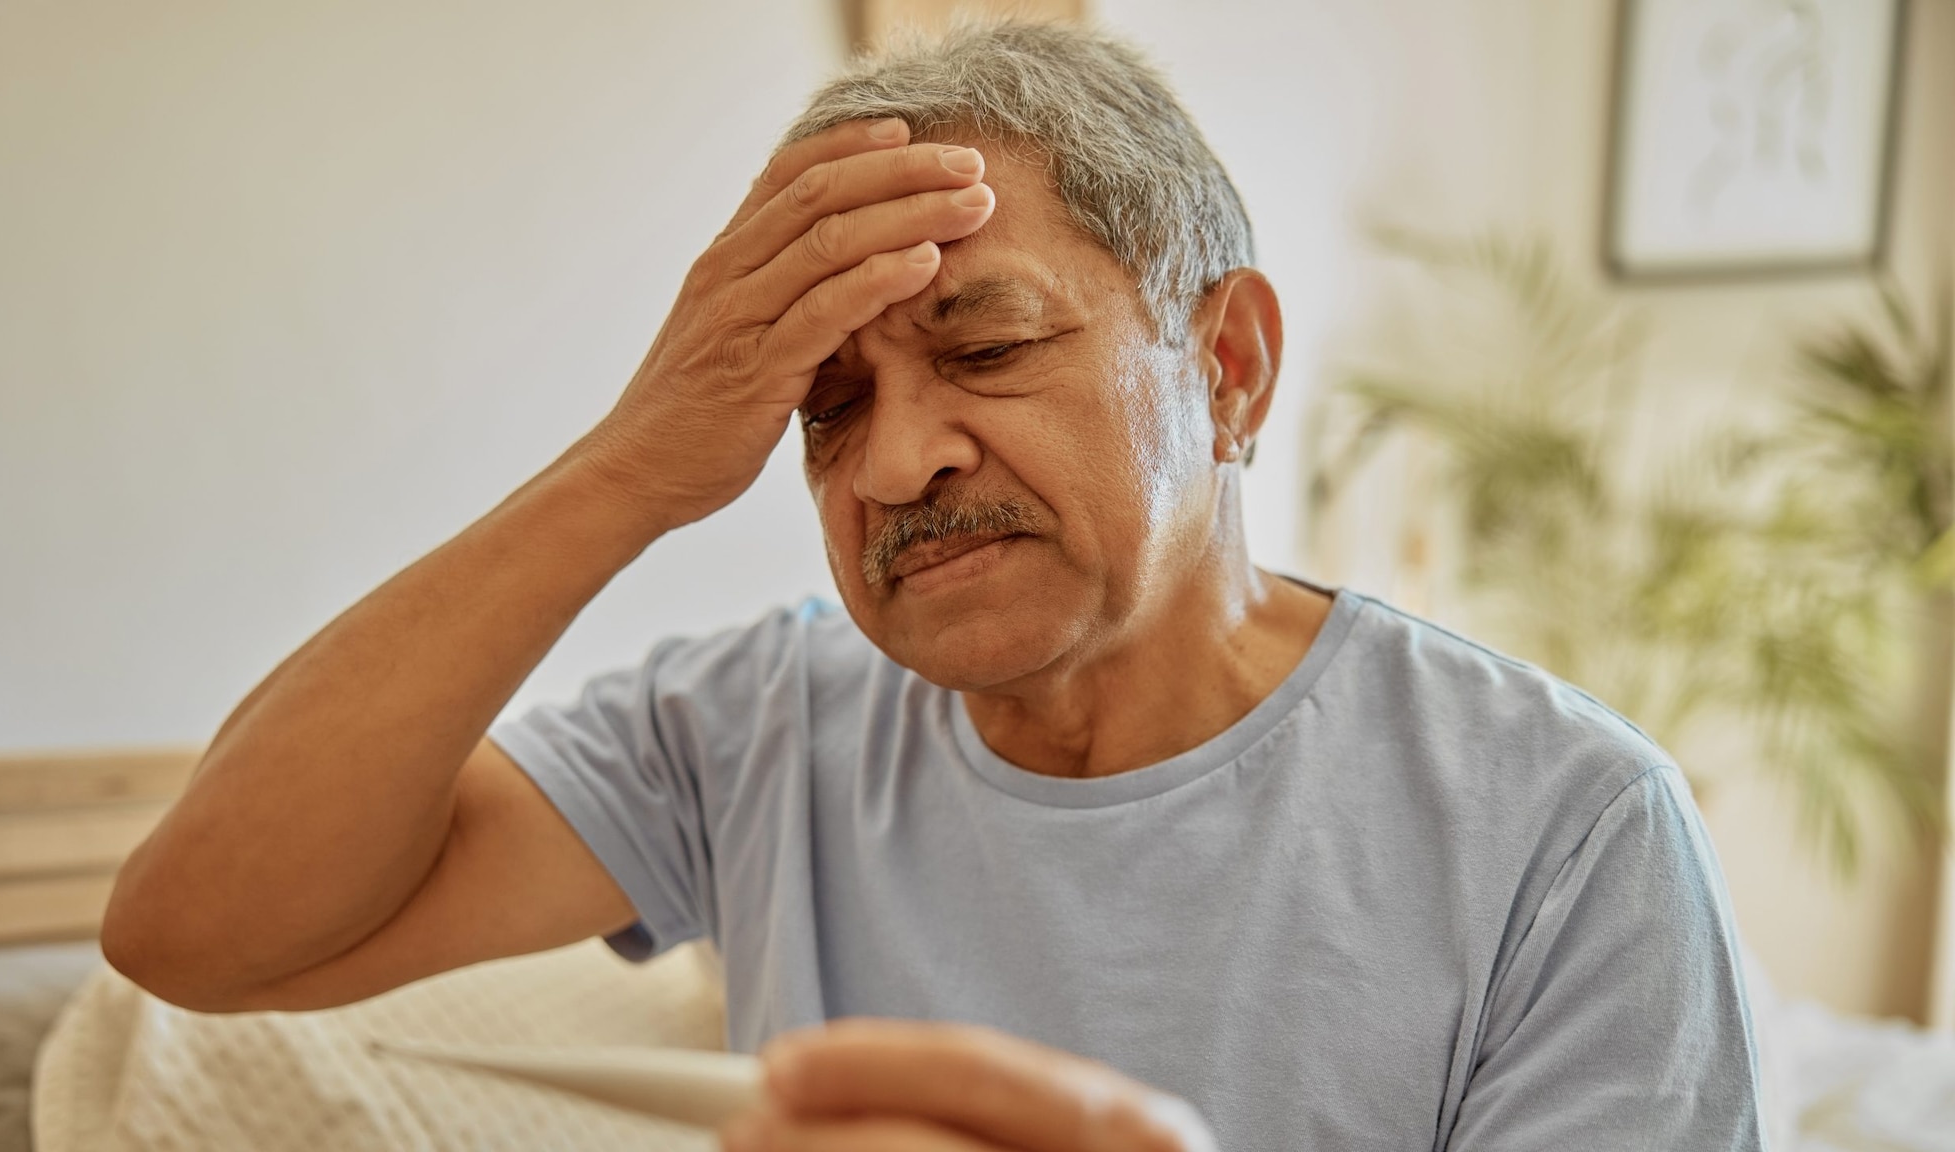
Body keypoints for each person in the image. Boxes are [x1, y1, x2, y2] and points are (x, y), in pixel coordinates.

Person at [102, 22, 1765, 1152]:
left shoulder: (1568, 828)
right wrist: (633, 465)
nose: (894, 465)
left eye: (986, 344)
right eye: (822, 407)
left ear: (1231, 364)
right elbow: (197, 932)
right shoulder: (757, 726)